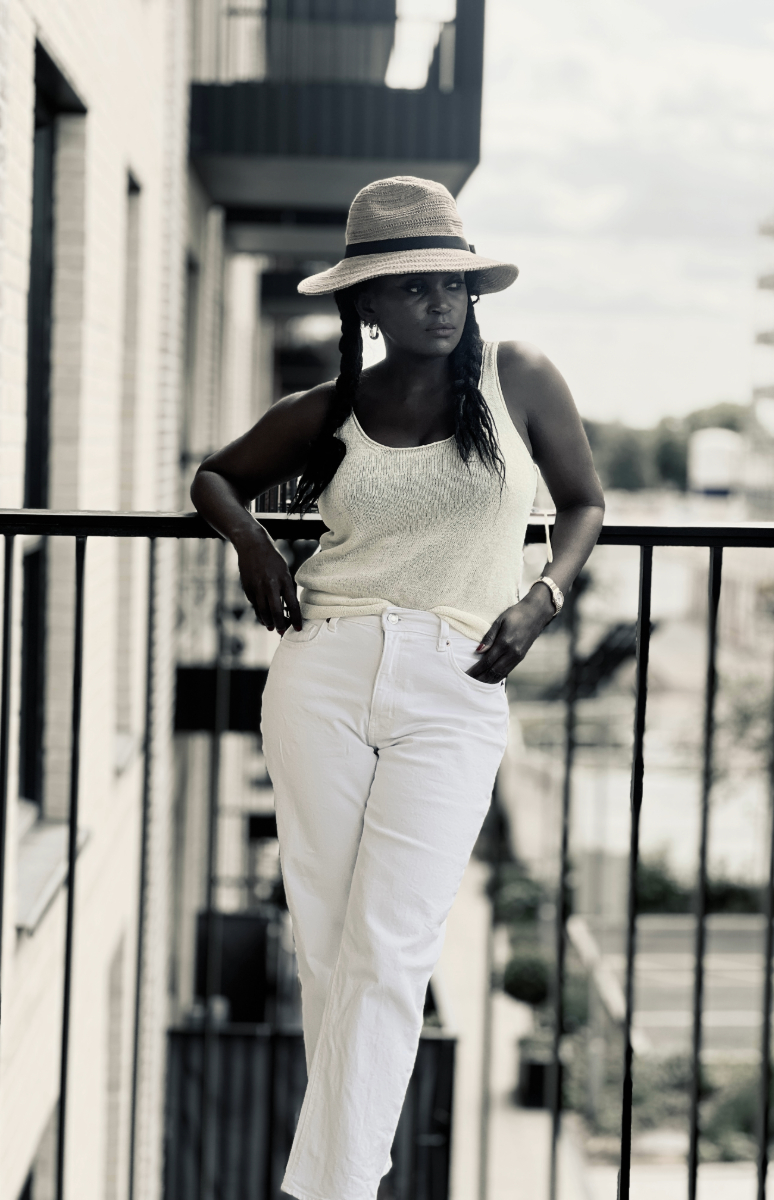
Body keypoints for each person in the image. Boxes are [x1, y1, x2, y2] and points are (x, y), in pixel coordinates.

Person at [191, 175, 604, 1200]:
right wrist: (249, 543)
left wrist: (542, 597)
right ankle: (343, 1183)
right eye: (409, 286)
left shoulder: (520, 379)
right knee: (332, 948)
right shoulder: (328, 409)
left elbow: (585, 501)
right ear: (364, 303)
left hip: (457, 680)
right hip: (320, 673)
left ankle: (323, 1191)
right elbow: (213, 476)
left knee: (392, 946)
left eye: (451, 283)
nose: (437, 302)